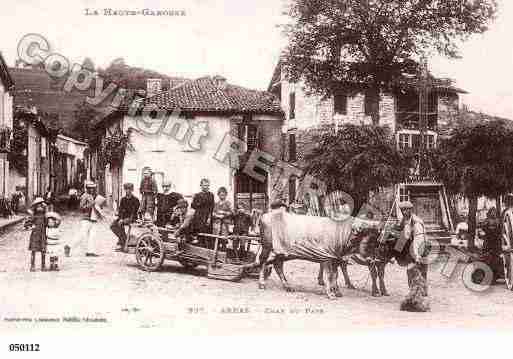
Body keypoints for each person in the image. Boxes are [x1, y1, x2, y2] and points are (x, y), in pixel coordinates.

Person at [397, 201, 429, 296]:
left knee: (418, 271)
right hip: (411, 249)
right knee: (411, 271)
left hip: (419, 248)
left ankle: (421, 292)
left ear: (410, 210)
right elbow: (401, 232)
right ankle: (413, 291)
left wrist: (417, 255)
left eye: (405, 210)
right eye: (402, 210)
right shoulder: (405, 220)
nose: (403, 212)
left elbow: (419, 238)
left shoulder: (416, 222)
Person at [111, 183, 140, 251]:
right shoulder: (123, 199)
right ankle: (123, 239)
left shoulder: (135, 200)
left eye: (129, 189)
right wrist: (121, 218)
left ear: (132, 190)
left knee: (120, 224)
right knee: (112, 225)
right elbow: (120, 210)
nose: (127, 191)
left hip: (132, 217)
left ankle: (123, 243)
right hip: (123, 217)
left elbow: (134, 212)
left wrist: (125, 220)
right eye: (126, 189)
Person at [480, 207, 503, 283]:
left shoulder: (497, 221)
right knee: (488, 259)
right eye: (492, 212)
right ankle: (488, 277)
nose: (493, 213)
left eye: (494, 212)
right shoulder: (487, 220)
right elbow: (483, 227)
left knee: (495, 260)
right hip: (489, 242)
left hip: (495, 242)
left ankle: (494, 278)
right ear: (489, 213)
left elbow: (500, 230)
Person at [27, 198, 48, 272]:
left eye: (41, 204)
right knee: (33, 249)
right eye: (38, 205)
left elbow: (48, 223)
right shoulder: (33, 216)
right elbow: (28, 222)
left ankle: (43, 265)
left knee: (43, 249)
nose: (40, 206)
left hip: (42, 232)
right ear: (35, 207)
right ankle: (32, 265)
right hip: (35, 233)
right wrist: (31, 225)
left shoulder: (45, 216)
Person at [79, 181, 99, 257]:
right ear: (87, 189)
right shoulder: (84, 196)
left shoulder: (93, 196)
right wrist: (90, 205)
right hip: (86, 218)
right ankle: (69, 246)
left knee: (92, 236)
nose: (92, 190)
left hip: (93, 218)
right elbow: (81, 207)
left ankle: (90, 251)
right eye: (90, 188)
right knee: (82, 235)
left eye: (93, 188)